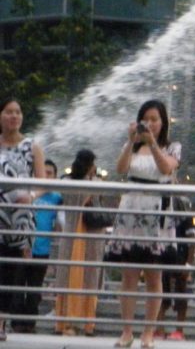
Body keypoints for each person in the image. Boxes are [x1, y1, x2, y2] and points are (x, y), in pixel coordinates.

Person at [106, 99, 180, 349]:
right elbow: (120, 168)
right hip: (131, 208)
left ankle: (149, 333)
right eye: (145, 119)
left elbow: (166, 169)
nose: (150, 124)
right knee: (128, 274)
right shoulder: (133, 146)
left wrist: (152, 144)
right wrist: (131, 141)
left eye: (154, 119)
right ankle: (126, 332)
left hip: (155, 212)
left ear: (163, 122)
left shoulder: (172, 147)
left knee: (153, 275)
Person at [0, 96, 47, 342]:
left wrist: (31, 195)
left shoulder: (32, 147)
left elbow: (43, 182)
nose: (14, 116)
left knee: (10, 271)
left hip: (19, 219)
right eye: (9, 112)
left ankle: (1, 322)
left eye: (17, 112)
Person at [54, 149, 104, 336]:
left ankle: (63, 324)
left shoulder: (66, 182)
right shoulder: (95, 184)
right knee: (89, 277)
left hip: (71, 234)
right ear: (91, 165)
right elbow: (96, 205)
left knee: (68, 276)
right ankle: (87, 324)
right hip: (90, 236)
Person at [10, 159, 62, 333]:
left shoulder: (56, 198)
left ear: (55, 177)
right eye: (44, 172)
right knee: (17, 286)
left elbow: (60, 223)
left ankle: (30, 323)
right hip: (22, 246)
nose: (46, 176)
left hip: (42, 250)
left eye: (50, 173)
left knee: (34, 289)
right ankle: (16, 323)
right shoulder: (27, 194)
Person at [154, 197, 195, 341]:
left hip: (180, 258)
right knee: (160, 293)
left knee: (180, 294)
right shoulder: (160, 212)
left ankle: (179, 330)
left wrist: (188, 264)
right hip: (163, 255)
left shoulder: (185, 216)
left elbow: (192, 240)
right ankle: (159, 328)